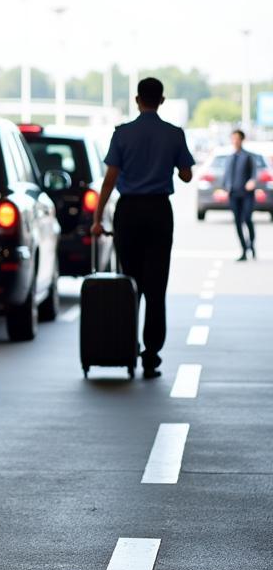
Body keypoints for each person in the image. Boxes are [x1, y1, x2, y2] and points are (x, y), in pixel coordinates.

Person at [91, 77, 194, 379]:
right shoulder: (174, 134)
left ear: (138, 100)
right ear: (161, 101)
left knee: (130, 284)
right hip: (160, 211)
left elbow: (109, 180)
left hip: (129, 212)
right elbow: (186, 175)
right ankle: (152, 355)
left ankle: (126, 346)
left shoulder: (122, 134)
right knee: (156, 287)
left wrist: (97, 220)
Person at [224, 129, 257, 261]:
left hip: (247, 194)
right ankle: (244, 249)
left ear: (242, 140)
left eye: (237, 138)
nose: (235, 141)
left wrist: (252, 181)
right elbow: (226, 176)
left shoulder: (248, 156)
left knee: (247, 219)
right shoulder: (229, 157)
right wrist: (226, 187)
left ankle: (251, 244)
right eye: (233, 138)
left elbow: (254, 174)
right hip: (234, 194)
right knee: (237, 222)